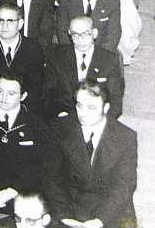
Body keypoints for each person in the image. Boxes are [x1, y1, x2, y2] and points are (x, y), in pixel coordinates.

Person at [45, 82, 137, 228]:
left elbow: (123, 185)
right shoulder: (59, 128)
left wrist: (100, 220)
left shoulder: (125, 137)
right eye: (79, 105)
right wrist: (65, 215)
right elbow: (52, 178)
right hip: (69, 209)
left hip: (109, 212)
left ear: (106, 108)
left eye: (91, 107)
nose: (83, 113)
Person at [0, 72, 49, 214]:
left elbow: (37, 166)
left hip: (21, 194)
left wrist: (10, 193)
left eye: (11, 93)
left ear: (23, 96)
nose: (3, 98)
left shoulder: (36, 125)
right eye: (0, 91)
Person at [45, 15, 124, 119]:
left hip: (97, 118)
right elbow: (48, 94)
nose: (80, 39)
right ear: (69, 33)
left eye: (86, 34)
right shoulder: (57, 57)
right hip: (65, 116)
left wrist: (101, 122)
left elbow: (115, 102)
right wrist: (59, 114)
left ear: (94, 33)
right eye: (75, 34)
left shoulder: (109, 59)